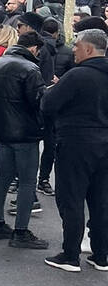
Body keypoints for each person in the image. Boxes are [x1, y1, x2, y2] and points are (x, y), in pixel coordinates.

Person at [40, 28, 108, 271]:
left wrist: (49, 93)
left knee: (72, 198)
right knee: (101, 200)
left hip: (76, 141)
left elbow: (48, 104)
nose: (74, 51)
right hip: (104, 142)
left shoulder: (77, 75)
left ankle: (70, 255)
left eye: (77, 46)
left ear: (89, 49)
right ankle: (101, 254)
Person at [0, 31, 50, 249]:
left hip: (0, 130)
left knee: (3, 177)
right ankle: (21, 230)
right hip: (25, 133)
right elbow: (39, 103)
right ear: (33, 49)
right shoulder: (30, 69)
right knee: (28, 181)